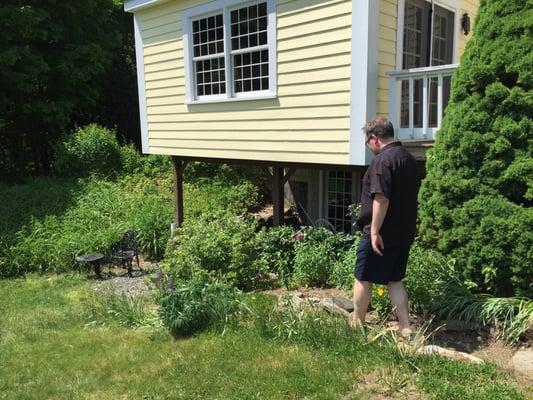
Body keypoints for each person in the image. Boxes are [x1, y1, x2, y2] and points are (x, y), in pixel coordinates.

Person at [353, 116, 420, 337]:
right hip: (403, 232)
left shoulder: (383, 161)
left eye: (367, 142)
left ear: (374, 139)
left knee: (363, 277)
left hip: (381, 234)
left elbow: (381, 199)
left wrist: (373, 231)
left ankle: (357, 325)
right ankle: (405, 327)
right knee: (395, 280)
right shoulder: (408, 159)